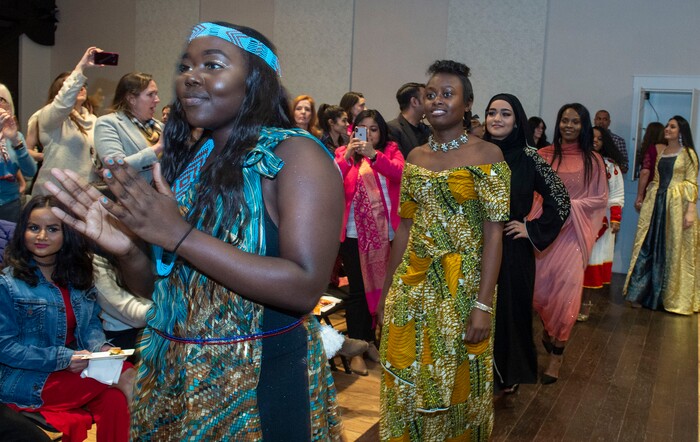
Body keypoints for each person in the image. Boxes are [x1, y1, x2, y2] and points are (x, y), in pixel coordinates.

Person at [46, 21, 344, 440]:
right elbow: (163, 292)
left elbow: (303, 287)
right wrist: (128, 251)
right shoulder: (193, 161)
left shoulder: (295, 155)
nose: (191, 76)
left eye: (213, 65)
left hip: (260, 383)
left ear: (257, 79)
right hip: (174, 378)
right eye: (186, 66)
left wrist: (179, 235)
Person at [377, 60, 510, 441]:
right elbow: (405, 226)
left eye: (447, 94)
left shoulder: (488, 156)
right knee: (405, 375)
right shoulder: (416, 156)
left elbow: (494, 234)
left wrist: (483, 304)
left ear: (467, 104)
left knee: (455, 382)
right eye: (430, 94)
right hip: (413, 283)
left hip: (462, 289)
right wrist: (388, 292)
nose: (436, 101)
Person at [0, 195, 133, 442]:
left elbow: (91, 324)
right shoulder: (7, 284)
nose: (41, 237)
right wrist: (63, 358)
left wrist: (100, 347)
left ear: (68, 234)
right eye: (33, 228)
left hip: (73, 371)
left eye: (52, 229)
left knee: (115, 400)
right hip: (27, 379)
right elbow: (4, 348)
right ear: (22, 232)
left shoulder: (76, 276)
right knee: (128, 377)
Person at [482, 94, 570, 394]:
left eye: (505, 114)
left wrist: (531, 228)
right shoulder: (474, 153)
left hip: (511, 247)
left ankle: (507, 375)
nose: (497, 118)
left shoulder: (530, 157)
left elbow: (560, 199)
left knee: (509, 312)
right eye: (491, 112)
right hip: (473, 246)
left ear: (517, 120)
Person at [531, 103, 608, 384]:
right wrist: (544, 218)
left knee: (567, 295)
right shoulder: (543, 156)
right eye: (564, 120)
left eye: (575, 121)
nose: (569, 125)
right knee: (541, 291)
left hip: (574, 235)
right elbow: (531, 193)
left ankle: (557, 357)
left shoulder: (594, 161)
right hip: (545, 234)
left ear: (583, 126)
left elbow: (600, 199)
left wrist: (565, 207)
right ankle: (549, 329)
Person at [335, 109, 404, 376]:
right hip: (353, 234)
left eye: (374, 129)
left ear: (381, 132)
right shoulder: (344, 153)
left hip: (387, 234)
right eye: (362, 129)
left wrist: (375, 156)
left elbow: (400, 174)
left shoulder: (391, 151)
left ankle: (371, 342)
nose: (368, 134)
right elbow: (332, 180)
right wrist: (349, 155)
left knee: (382, 289)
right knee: (358, 292)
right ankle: (357, 349)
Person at [624, 116, 699, 314]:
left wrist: (690, 210)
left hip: (676, 207)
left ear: (681, 132)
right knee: (648, 248)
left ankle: (670, 297)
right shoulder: (663, 151)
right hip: (657, 206)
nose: (667, 129)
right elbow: (655, 178)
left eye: (672, 127)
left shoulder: (689, 154)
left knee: (672, 249)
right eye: (667, 126)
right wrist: (646, 197)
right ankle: (643, 295)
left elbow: (692, 183)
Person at [32, 47, 108, 196]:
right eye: (76, 86)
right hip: (54, 191)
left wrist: (101, 167)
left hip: (86, 191)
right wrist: (81, 67)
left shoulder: (93, 119)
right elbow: (63, 103)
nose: (81, 88)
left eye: (83, 85)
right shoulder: (50, 117)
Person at [579, 126, 625, 321]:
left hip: (601, 223)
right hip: (576, 220)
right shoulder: (576, 161)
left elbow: (617, 195)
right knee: (572, 264)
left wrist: (615, 218)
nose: (595, 141)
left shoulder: (611, 167)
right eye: (592, 137)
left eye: (599, 138)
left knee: (591, 262)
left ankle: (585, 306)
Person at [94, 72, 163, 183]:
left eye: (156, 94)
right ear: (131, 99)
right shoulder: (107, 123)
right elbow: (116, 168)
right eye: (151, 94)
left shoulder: (160, 126)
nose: (157, 100)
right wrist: (158, 147)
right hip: (134, 197)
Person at [0, 84, 37, 221]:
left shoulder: (16, 136)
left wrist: (16, 141)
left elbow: (30, 171)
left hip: (11, 205)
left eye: (2, 100)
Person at [386, 82, 431, 158]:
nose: (430, 102)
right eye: (426, 98)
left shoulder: (427, 129)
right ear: (414, 102)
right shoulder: (392, 129)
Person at [634, 121, 665, 209]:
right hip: (666, 192)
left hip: (651, 190)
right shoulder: (669, 149)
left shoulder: (651, 149)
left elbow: (645, 172)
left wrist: (639, 196)